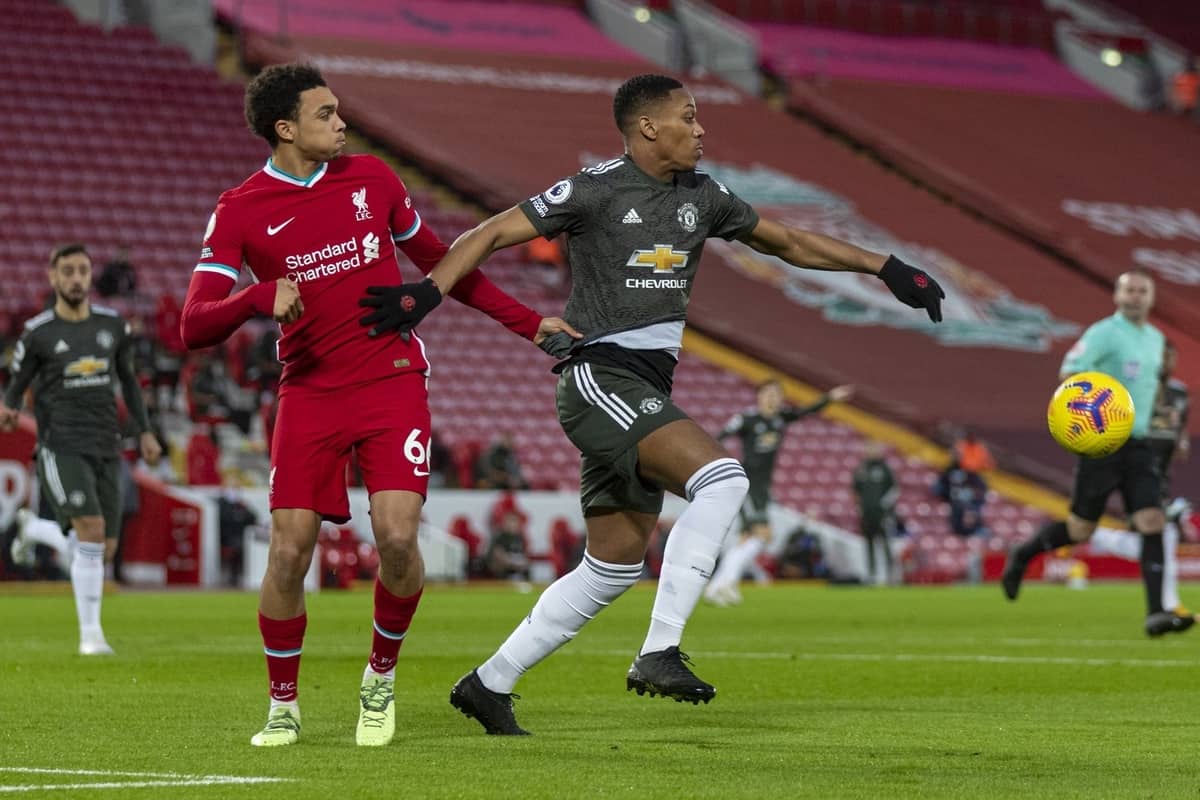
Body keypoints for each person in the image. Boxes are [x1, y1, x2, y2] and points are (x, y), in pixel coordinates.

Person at [359, 73, 944, 734]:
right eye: (689, 119)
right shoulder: (595, 188)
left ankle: (488, 683)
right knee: (723, 480)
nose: (701, 131)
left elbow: (787, 243)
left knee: (611, 567)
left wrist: (886, 267)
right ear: (648, 127)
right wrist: (426, 294)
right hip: (599, 377)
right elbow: (491, 233)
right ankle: (659, 650)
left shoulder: (703, 195)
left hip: (641, 387)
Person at [178, 63, 579, 747]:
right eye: (326, 113)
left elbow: (445, 263)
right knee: (287, 553)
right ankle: (282, 702)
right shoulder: (240, 209)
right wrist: (255, 296)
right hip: (307, 393)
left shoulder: (375, 180)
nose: (342, 123)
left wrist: (529, 323)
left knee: (396, 537)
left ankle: (380, 677)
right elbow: (192, 325)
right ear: (286, 128)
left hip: (391, 380)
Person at [1001, 270, 1187, 636]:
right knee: (1081, 529)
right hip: (1103, 443)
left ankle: (1155, 613)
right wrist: (1092, 409)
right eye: (1129, 290)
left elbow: (1154, 386)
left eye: (1142, 291)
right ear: (1118, 296)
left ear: (1151, 298)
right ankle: (1024, 554)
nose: (1135, 296)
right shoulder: (1104, 333)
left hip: (1140, 443)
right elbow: (1069, 371)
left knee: (1152, 521)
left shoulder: (1156, 339)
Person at [1, 243, 162, 654]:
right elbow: (17, 382)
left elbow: (128, 382)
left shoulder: (113, 327)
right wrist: (10, 407)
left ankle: (33, 529)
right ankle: (91, 637)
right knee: (90, 532)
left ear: (91, 277)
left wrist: (144, 432)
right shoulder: (39, 332)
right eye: (67, 271)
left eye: (82, 271)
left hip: (106, 443)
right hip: (61, 444)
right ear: (53, 277)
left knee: (102, 548)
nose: (75, 278)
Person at [704, 379, 854, 605]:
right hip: (749, 484)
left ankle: (720, 586)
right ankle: (725, 583)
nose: (773, 398)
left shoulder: (780, 418)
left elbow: (805, 412)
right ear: (759, 396)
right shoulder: (747, 419)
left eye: (777, 394)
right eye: (768, 393)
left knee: (746, 538)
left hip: (763, 486)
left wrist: (829, 398)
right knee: (763, 536)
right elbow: (719, 437)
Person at [1088, 338, 1192, 625]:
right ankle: (1170, 604)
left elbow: (1180, 433)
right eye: (1161, 357)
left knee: (1151, 540)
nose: (1165, 363)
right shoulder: (1132, 390)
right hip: (1135, 470)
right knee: (1161, 533)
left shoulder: (1179, 394)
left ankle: (1097, 535)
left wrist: (1180, 441)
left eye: (1170, 357)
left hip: (1161, 473)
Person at [852, 442, 898, 585]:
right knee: (869, 543)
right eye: (869, 449)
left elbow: (894, 489)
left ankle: (891, 574)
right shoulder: (862, 469)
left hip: (881, 514)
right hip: (866, 513)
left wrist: (883, 506)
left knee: (885, 542)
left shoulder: (885, 469)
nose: (871, 452)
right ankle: (871, 574)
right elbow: (855, 490)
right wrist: (859, 507)